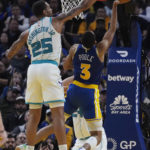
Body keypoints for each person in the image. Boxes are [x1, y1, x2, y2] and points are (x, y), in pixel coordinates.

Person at [6, 0, 97, 150]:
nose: (51, 8)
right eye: (49, 7)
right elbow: (82, 7)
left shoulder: (27, 31)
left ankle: (28, 148)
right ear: (44, 12)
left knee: (34, 116)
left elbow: (11, 51)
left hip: (33, 69)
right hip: (49, 67)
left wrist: (10, 53)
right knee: (58, 115)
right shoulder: (56, 20)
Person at [63, 1, 122, 149]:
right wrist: (114, 6)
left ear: (81, 40)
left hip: (74, 89)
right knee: (97, 135)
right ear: (95, 42)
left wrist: (75, 67)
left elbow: (65, 66)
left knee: (58, 120)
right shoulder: (99, 49)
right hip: (89, 91)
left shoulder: (75, 48)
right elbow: (112, 29)